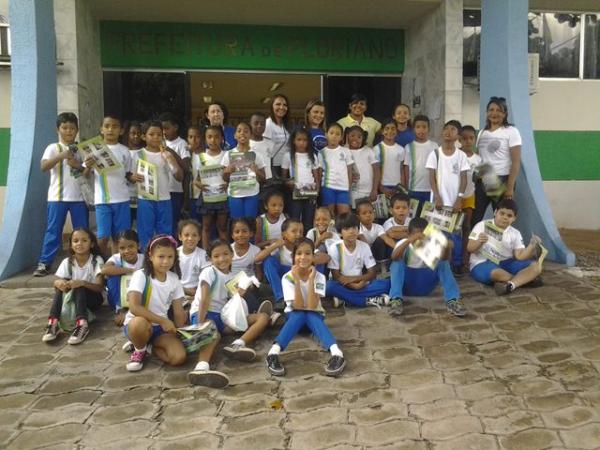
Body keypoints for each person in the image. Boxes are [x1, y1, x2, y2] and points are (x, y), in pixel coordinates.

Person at [188, 240, 270, 387]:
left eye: (225, 254)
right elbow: (204, 299)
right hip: (203, 313)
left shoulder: (233, 276)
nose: (222, 259)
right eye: (216, 256)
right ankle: (201, 368)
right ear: (210, 259)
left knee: (263, 318)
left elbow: (234, 300)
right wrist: (200, 325)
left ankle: (237, 345)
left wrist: (245, 287)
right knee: (213, 333)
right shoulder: (209, 272)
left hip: (222, 317)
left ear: (232, 255)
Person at [266, 239, 346, 377]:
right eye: (299, 253)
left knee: (308, 313)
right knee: (300, 314)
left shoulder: (319, 277)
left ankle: (337, 354)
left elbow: (312, 306)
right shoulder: (287, 278)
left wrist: (311, 278)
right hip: (294, 319)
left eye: (308, 253)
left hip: (314, 316)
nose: (303, 257)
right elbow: (297, 306)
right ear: (293, 257)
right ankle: (273, 353)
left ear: (313, 257)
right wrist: (297, 279)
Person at [34, 113, 89, 277]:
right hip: (57, 198)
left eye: (72, 128)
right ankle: (45, 263)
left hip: (79, 198)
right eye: (65, 128)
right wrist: (61, 156)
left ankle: (84, 262)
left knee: (83, 232)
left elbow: (88, 173)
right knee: (53, 231)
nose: (68, 131)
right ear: (58, 129)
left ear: (77, 130)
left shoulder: (82, 149)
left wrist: (77, 164)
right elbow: (43, 166)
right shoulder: (53, 147)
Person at [122, 235, 188, 372]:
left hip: (160, 330)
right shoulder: (141, 275)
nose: (166, 261)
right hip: (139, 324)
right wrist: (163, 321)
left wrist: (184, 332)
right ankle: (139, 349)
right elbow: (134, 307)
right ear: (150, 256)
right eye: (161, 257)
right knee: (138, 323)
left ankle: (149, 347)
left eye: (170, 257)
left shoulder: (174, 279)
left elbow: (178, 311)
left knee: (179, 357)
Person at [388, 217, 466, 317]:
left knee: (443, 263)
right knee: (396, 262)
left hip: (427, 285)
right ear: (409, 234)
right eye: (416, 235)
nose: (420, 239)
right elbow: (394, 257)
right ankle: (395, 300)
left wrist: (446, 247)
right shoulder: (404, 243)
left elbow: (445, 259)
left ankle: (453, 300)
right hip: (407, 286)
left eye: (423, 235)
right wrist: (409, 241)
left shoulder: (432, 244)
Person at [468, 199, 543, 295]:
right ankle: (525, 280)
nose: (505, 218)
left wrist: (532, 245)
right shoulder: (482, 225)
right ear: (495, 212)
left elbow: (520, 256)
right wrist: (479, 241)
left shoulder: (515, 233)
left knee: (536, 266)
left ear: (514, 218)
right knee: (497, 273)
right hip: (482, 263)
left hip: (506, 262)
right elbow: (469, 248)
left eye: (509, 216)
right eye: (502, 213)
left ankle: (510, 285)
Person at [42, 228, 104, 344]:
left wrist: (83, 283)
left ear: (92, 244)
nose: (79, 243)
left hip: (93, 299)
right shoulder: (67, 261)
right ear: (71, 245)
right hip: (73, 300)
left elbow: (100, 287)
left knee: (78, 285)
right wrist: (59, 283)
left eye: (84, 240)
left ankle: (82, 324)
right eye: (75, 241)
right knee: (61, 286)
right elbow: (56, 281)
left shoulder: (96, 260)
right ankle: (53, 323)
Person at [84, 115, 132, 257]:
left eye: (115, 126)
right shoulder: (93, 150)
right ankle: (100, 264)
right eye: (107, 126)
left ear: (121, 131)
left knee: (120, 238)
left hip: (122, 199)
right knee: (103, 237)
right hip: (103, 201)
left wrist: (134, 177)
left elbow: (128, 173)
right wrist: (88, 165)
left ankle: (116, 265)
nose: (110, 129)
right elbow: (86, 174)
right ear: (101, 129)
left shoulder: (124, 150)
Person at [131, 121, 184, 250]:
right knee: (145, 233)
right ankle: (146, 262)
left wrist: (171, 160)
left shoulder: (166, 154)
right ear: (144, 136)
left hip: (164, 199)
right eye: (151, 134)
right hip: (145, 199)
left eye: (159, 134)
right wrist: (132, 177)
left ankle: (164, 261)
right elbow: (130, 176)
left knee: (165, 234)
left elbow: (179, 177)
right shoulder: (138, 155)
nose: (156, 137)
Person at [427, 120, 470, 270]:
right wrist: (437, 196)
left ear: (458, 135)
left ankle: (456, 264)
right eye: (446, 129)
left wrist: (459, 199)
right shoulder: (434, 154)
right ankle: (437, 264)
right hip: (438, 202)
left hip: (454, 203)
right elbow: (431, 177)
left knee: (456, 234)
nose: (448, 132)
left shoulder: (461, 156)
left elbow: (464, 179)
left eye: (452, 130)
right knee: (436, 234)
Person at [473, 97, 522, 224]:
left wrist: (510, 187)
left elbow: (516, 161)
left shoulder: (511, 131)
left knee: (500, 220)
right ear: (486, 113)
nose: (494, 113)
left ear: (505, 114)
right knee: (475, 218)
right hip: (484, 179)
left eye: (499, 110)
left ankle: (500, 243)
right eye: (491, 110)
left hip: (502, 179)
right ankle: (472, 243)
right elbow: (478, 158)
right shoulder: (482, 132)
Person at [325, 213, 391, 308]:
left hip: (361, 283)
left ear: (358, 229)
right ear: (340, 233)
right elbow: (336, 276)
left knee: (388, 284)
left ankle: (346, 300)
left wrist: (357, 281)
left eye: (354, 228)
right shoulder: (335, 248)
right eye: (347, 229)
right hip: (343, 284)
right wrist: (352, 285)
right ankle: (366, 300)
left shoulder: (364, 246)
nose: (351, 232)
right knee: (329, 287)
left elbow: (372, 273)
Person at [222, 122, 266, 219]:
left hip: (252, 193)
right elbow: (225, 179)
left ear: (250, 135)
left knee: (250, 223)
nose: (242, 133)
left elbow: (264, 178)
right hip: (235, 195)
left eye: (246, 131)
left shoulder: (256, 154)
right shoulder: (228, 154)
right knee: (237, 223)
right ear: (235, 135)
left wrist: (257, 171)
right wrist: (227, 171)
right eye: (239, 131)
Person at [101, 229, 144, 326]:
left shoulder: (143, 259)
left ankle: (133, 310)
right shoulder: (116, 258)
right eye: (122, 248)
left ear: (138, 245)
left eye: (131, 246)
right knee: (112, 276)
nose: (127, 251)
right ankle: (120, 310)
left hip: (137, 298)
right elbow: (104, 270)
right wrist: (131, 271)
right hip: (119, 299)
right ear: (118, 249)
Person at [281, 128, 320, 232]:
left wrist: (317, 190)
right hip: (295, 192)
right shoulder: (288, 156)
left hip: (310, 192)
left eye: (305, 140)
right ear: (293, 140)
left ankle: (307, 242)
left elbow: (316, 176)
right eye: (299, 139)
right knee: (295, 219)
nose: (302, 143)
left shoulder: (312, 156)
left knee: (309, 219)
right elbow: (283, 177)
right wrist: (287, 182)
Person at [195, 126, 228, 246]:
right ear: (205, 139)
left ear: (222, 138)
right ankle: (206, 252)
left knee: (222, 227)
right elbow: (196, 180)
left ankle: (225, 251)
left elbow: (232, 176)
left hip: (222, 196)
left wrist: (228, 184)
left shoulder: (227, 155)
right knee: (206, 226)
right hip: (207, 197)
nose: (213, 140)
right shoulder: (202, 157)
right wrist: (200, 185)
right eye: (209, 137)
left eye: (216, 137)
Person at [160, 112, 191, 236]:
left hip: (176, 190)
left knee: (174, 222)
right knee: (164, 221)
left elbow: (186, 167)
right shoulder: (158, 143)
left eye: (167, 128)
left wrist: (170, 151)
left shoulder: (181, 144)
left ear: (176, 127)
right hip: (162, 190)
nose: (164, 132)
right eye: (162, 129)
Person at [403, 114, 438, 218]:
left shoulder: (434, 146)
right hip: (413, 190)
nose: (421, 130)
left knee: (428, 220)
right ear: (413, 129)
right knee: (413, 218)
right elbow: (406, 168)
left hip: (430, 190)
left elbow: (437, 169)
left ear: (429, 129)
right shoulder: (409, 147)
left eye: (424, 127)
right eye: (418, 127)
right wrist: (406, 188)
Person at [318, 123, 355, 216]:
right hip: (328, 187)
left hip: (343, 188)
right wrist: (318, 188)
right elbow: (319, 171)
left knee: (344, 214)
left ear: (341, 137)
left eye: (337, 134)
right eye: (331, 133)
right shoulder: (322, 152)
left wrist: (349, 186)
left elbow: (349, 170)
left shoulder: (346, 151)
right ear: (326, 134)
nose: (334, 136)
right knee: (329, 215)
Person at [459, 125, 483, 270]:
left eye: (471, 138)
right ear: (459, 140)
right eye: (464, 138)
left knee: (467, 226)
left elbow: (480, 179)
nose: (468, 141)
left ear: (475, 139)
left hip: (470, 196)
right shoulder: (456, 155)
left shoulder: (478, 159)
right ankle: (454, 257)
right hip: (455, 197)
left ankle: (465, 256)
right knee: (454, 227)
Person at [356, 199, 395, 274]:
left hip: (376, 253)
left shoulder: (378, 227)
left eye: (370, 212)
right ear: (358, 217)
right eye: (364, 213)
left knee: (380, 240)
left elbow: (386, 239)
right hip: (364, 253)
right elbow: (363, 241)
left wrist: (397, 247)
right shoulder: (358, 228)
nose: (368, 215)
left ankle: (382, 266)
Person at [345, 126, 379, 206]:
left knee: (366, 212)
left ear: (363, 139)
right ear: (347, 136)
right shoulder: (344, 151)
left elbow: (377, 170)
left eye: (359, 137)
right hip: (350, 191)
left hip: (367, 191)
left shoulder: (368, 151)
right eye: (352, 136)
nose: (355, 139)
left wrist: (374, 189)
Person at [177, 219, 209, 298]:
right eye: (186, 235)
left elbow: (206, 279)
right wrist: (184, 290)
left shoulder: (203, 255)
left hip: (196, 292)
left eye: (194, 235)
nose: (190, 238)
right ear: (180, 237)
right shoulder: (174, 254)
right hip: (177, 291)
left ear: (199, 237)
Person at [375, 119, 406, 198]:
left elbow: (401, 169)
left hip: (397, 187)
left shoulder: (401, 149)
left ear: (397, 131)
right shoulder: (377, 148)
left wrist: (402, 187)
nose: (390, 131)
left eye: (393, 128)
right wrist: (380, 187)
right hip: (383, 186)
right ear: (382, 131)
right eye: (387, 128)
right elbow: (375, 171)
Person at [263, 94, 291, 176]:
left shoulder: (286, 125)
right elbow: (265, 150)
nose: (281, 107)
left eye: (285, 105)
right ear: (272, 106)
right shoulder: (267, 124)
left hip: (287, 166)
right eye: (278, 104)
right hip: (273, 167)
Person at [123, 120, 143, 224]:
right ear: (127, 134)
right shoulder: (123, 150)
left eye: (139, 133)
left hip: (141, 194)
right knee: (127, 225)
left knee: (142, 224)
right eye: (133, 133)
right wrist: (129, 177)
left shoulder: (144, 151)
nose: (136, 136)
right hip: (126, 195)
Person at [187, 125, 204, 221]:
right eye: (190, 137)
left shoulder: (206, 154)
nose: (194, 140)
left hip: (204, 196)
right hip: (191, 196)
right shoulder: (187, 155)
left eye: (197, 137)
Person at [249, 112, 273, 180]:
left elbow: (272, 163)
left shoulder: (270, 143)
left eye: (262, 124)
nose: (259, 126)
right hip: (251, 182)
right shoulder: (245, 143)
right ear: (250, 125)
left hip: (268, 181)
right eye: (256, 123)